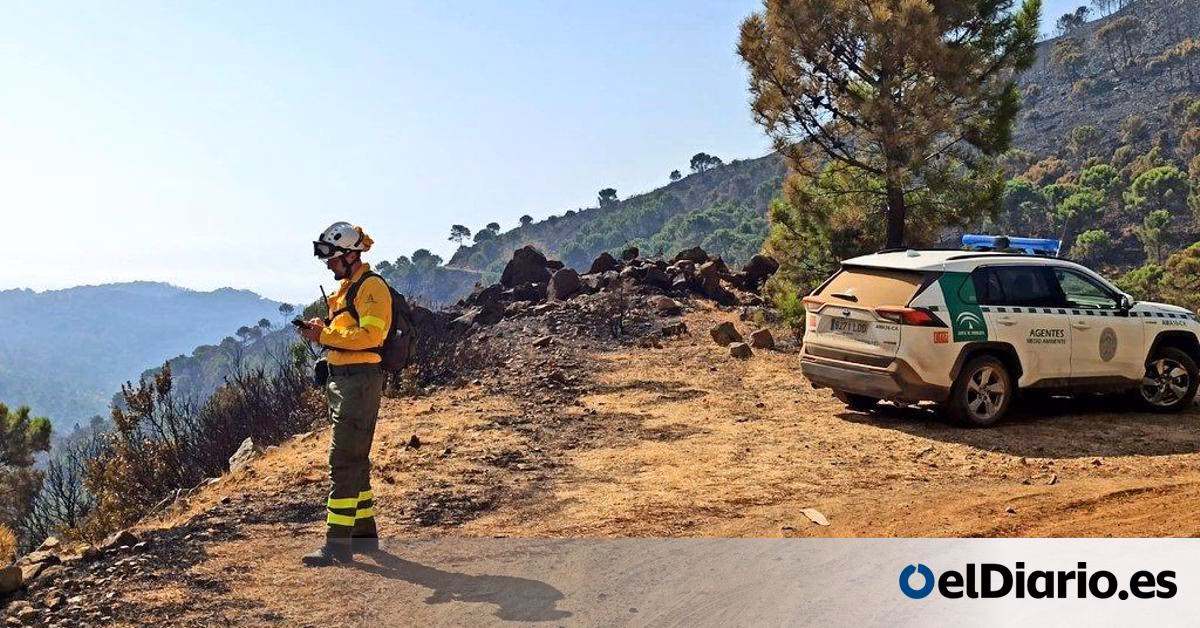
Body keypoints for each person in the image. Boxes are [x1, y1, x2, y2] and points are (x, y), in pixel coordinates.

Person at [297, 221, 392, 566]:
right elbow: (348, 334)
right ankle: (364, 537)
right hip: (343, 381)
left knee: (342, 462)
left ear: (351, 255)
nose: (327, 264)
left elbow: (371, 337)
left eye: (332, 257)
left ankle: (337, 546)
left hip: (359, 382)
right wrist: (323, 332)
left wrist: (324, 338)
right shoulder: (349, 289)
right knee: (356, 464)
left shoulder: (372, 288)